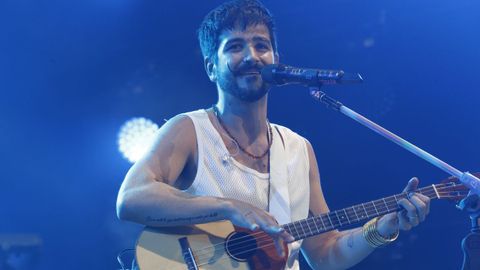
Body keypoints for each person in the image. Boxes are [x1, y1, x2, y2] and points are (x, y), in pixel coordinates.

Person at [116, 0, 430, 269]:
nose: (252, 56)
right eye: (236, 46)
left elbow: (324, 254)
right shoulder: (189, 130)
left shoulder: (298, 149)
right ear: (211, 67)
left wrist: (381, 229)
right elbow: (131, 199)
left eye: (261, 45)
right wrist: (226, 206)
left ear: (276, 60)